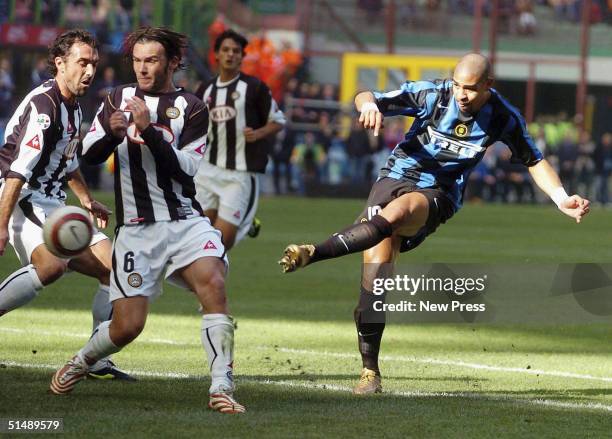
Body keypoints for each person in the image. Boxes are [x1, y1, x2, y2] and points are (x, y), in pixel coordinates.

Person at [278, 53, 590, 394]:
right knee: (374, 288)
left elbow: (534, 160)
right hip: (393, 178)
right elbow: (368, 96)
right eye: (457, 86)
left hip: (438, 193)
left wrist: (561, 198)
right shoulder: (432, 94)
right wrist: (367, 106)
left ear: (488, 85)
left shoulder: (503, 116)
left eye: (470, 89)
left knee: (398, 213)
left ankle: (313, 251)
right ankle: (370, 372)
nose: (462, 95)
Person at [49, 26, 245, 414]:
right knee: (127, 327)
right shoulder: (117, 98)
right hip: (137, 230)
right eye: (137, 61)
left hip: (185, 221)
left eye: (151, 60)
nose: (142, 68)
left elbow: (186, 169)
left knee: (214, 283)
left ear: (172, 62)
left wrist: (147, 130)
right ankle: (81, 361)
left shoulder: (192, 107)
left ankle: (221, 387)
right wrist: (110, 133)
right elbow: (87, 155)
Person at [0, 29, 133, 381]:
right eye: (82, 63)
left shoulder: (73, 106)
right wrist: (0, 226)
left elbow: (67, 161)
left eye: (93, 63)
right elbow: (17, 172)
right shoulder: (44, 107)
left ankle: (96, 358)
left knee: (115, 271)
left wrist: (87, 200)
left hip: (55, 203)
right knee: (52, 267)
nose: (89, 71)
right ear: (60, 63)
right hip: (23, 199)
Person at [195, 29, 285, 250]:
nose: (231, 55)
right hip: (207, 172)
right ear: (216, 54)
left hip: (238, 176)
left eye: (236, 51)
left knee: (220, 245)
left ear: (242, 56)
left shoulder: (255, 88)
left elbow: (278, 120)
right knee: (197, 241)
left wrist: (258, 133)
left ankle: (243, 219)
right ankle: (246, 220)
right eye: (225, 50)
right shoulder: (205, 89)